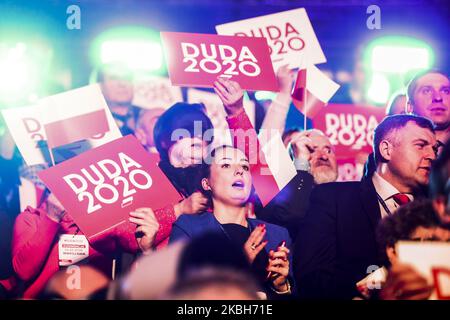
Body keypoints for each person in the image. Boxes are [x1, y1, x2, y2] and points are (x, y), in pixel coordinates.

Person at [294, 114, 437, 299]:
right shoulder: (333, 199)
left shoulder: (437, 210)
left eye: (435, 148)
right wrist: (376, 289)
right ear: (386, 150)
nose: (432, 155)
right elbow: (312, 279)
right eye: (420, 145)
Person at [169, 145, 293, 298]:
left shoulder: (276, 234)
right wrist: (239, 266)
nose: (240, 170)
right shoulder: (189, 228)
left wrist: (281, 287)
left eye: (245, 166)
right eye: (226, 165)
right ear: (207, 184)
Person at [11, 193, 160, 299]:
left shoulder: (108, 226)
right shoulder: (32, 219)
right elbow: (24, 272)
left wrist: (146, 251)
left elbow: (134, 287)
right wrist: (51, 218)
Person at [375, 199, 449, 300]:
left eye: (448, 243)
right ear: (393, 252)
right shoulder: (369, 291)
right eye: (431, 242)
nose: (444, 252)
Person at [406, 70, 450, 146]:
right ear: (410, 106)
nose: (438, 97)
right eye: (426, 91)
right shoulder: (397, 151)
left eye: (445, 91)